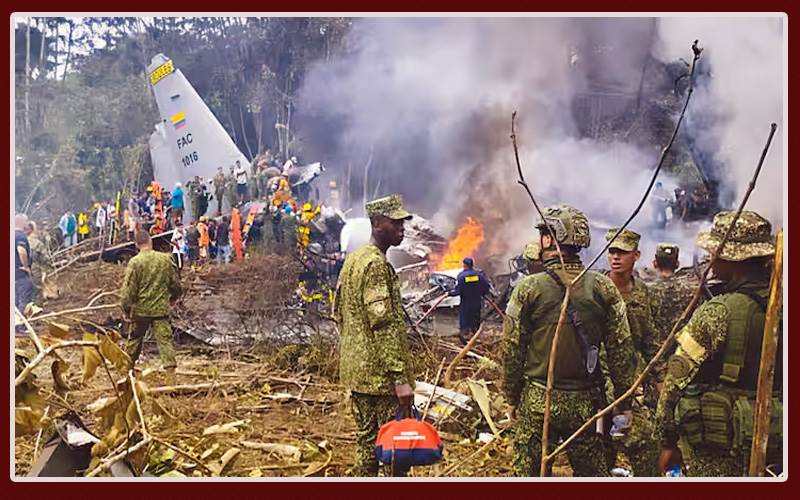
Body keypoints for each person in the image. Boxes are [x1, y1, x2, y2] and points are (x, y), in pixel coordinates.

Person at [501, 205, 638, 477]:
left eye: (543, 234)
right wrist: (625, 402)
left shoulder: (528, 288)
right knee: (592, 476)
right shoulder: (602, 287)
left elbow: (512, 348)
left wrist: (511, 396)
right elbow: (622, 349)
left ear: (550, 240)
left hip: (540, 400)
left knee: (529, 475)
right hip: (586, 402)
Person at [656, 211, 781, 477]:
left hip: (720, 449)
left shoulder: (717, 311)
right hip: (777, 444)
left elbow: (674, 382)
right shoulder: (781, 305)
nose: (710, 258)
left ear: (731, 258)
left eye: (715, 252)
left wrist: (667, 441)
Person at [334, 194, 414, 477]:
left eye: (403, 223)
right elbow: (383, 326)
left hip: (357, 374)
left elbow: (338, 313)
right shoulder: (377, 266)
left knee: (366, 443)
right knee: (395, 452)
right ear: (378, 223)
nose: (402, 229)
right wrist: (400, 379)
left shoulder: (354, 260)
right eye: (395, 223)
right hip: (381, 380)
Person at [604, 227, 659, 477]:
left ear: (636, 255)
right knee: (598, 448)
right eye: (612, 251)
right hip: (597, 376)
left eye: (622, 252)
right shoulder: (595, 290)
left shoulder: (643, 293)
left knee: (644, 443)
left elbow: (649, 338)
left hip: (631, 378)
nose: (615, 257)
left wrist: (659, 377)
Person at [120, 230, 182, 373]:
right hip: (160, 310)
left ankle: (125, 373)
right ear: (150, 241)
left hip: (140, 311)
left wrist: (126, 309)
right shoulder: (165, 259)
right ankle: (171, 379)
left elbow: (128, 291)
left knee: (134, 341)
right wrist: (173, 299)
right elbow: (176, 284)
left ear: (136, 245)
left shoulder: (135, 262)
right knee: (165, 342)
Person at [648, 243, 695, 404]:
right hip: (681, 362)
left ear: (654, 263)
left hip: (653, 364)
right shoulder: (691, 292)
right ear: (677, 264)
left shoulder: (645, 292)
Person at [449, 257, 491, 345]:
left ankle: (464, 341)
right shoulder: (479, 275)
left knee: (465, 322)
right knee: (475, 321)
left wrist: (449, 293)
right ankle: (475, 337)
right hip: (476, 303)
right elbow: (486, 288)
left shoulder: (461, 276)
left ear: (464, 265)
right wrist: (481, 293)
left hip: (466, 304)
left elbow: (458, 291)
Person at [15, 214, 35, 311]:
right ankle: (21, 325)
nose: (27, 224)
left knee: (15, 301)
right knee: (24, 301)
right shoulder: (20, 236)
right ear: (22, 223)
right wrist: (26, 266)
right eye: (26, 222)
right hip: (21, 274)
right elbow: (21, 250)